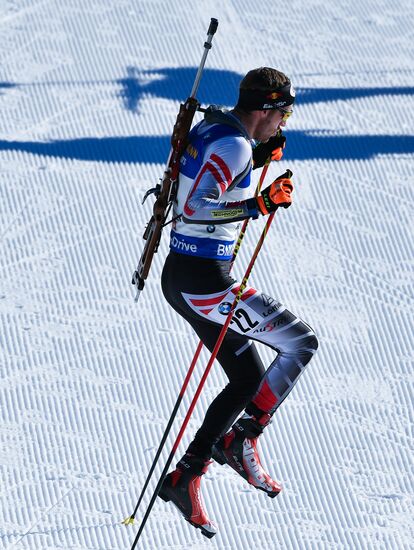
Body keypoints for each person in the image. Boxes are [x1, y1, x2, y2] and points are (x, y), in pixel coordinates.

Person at [158, 67, 318, 538]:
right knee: (300, 343)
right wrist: (258, 204)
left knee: (248, 378)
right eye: (283, 113)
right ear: (265, 109)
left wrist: (257, 158)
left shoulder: (219, 128)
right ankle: (241, 439)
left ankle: (185, 476)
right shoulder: (234, 145)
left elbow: (207, 176)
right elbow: (197, 206)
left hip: (185, 275)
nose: (284, 122)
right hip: (204, 282)